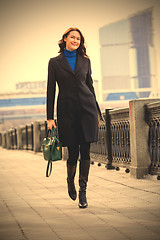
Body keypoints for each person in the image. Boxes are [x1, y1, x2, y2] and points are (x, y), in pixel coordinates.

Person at [47, 27, 103, 208]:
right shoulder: (54, 62)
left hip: (87, 110)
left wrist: (97, 111)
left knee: (86, 151)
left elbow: (90, 86)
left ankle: (83, 192)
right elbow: (50, 91)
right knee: (72, 153)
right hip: (67, 112)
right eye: (72, 37)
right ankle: (70, 181)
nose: (75, 40)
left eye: (78, 38)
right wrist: (50, 118)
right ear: (64, 39)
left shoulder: (85, 61)